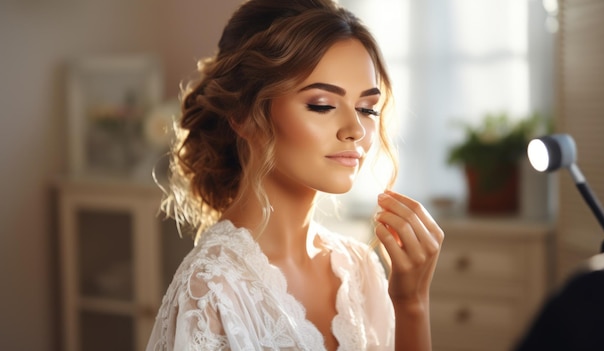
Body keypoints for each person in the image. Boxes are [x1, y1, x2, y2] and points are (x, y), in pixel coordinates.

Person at [147, 0, 444, 350]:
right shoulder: (212, 290)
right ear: (243, 116)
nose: (356, 130)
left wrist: (412, 304)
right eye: (322, 105)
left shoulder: (359, 268)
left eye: (367, 108)